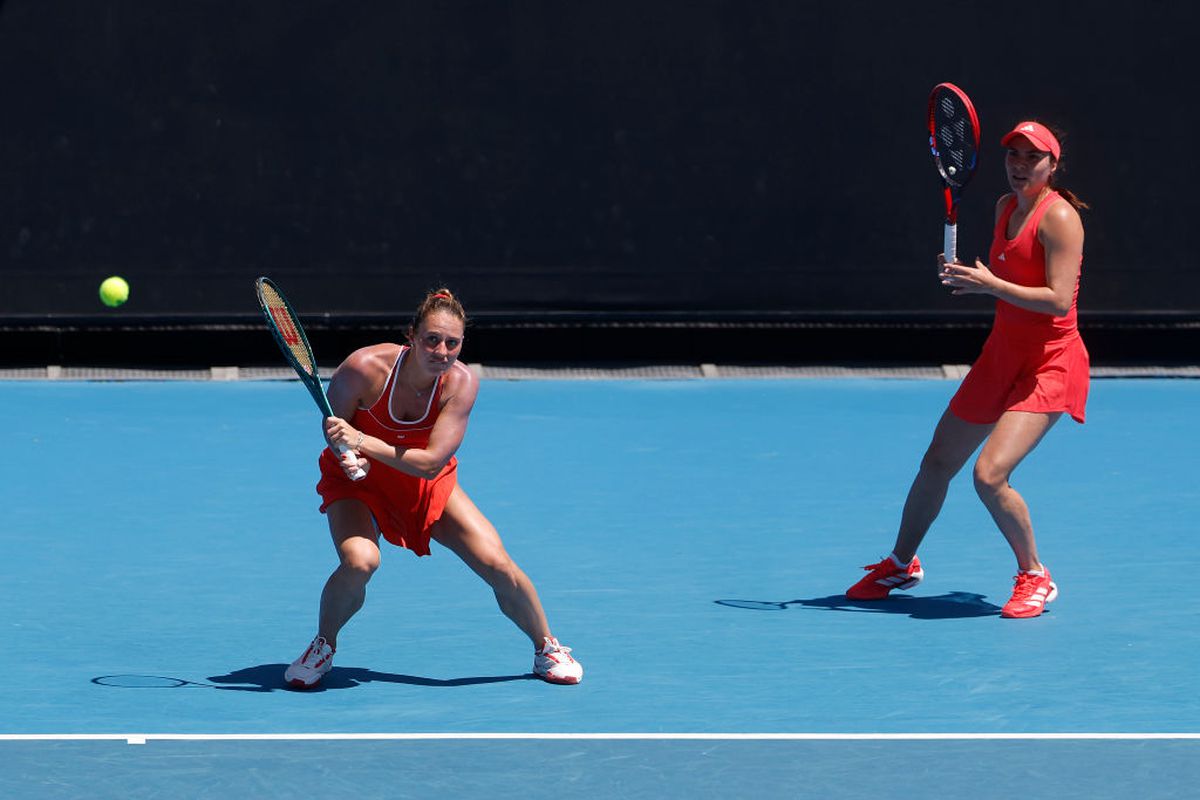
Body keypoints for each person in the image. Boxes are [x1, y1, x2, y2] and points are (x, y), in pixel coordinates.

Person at [846, 120, 1089, 619]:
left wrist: (991, 286)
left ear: (1053, 165)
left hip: (1050, 362)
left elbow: (1060, 300)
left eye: (1032, 158)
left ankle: (1035, 575)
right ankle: (901, 563)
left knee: (989, 475)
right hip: (1002, 354)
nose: (1020, 166)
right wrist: (967, 278)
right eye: (1013, 156)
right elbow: (1004, 281)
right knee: (937, 461)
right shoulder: (1004, 208)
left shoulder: (1059, 219)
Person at [284, 289, 583, 686]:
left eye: (452, 343)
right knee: (360, 562)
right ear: (411, 335)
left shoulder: (460, 384)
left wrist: (360, 442)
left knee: (496, 563)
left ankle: (547, 648)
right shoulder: (362, 368)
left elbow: (429, 464)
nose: (441, 351)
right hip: (359, 484)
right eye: (432, 339)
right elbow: (336, 431)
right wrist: (346, 451)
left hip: (424, 484)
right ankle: (323, 645)